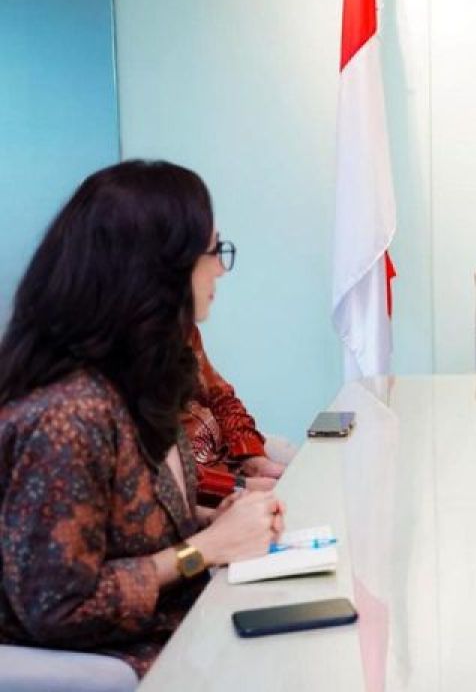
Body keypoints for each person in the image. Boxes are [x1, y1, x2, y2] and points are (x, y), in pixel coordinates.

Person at [0, 160, 285, 676]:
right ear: (158, 269)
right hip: (127, 667)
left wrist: (217, 520)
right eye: (212, 251)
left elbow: (124, 528)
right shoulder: (67, 416)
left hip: (183, 635)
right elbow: (58, 607)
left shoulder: (138, 380)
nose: (220, 270)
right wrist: (202, 549)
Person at [185, 325, 287, 504]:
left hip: (227, 454)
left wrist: (252, 458)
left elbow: (221, 398)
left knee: (303, 466)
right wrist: (240, 486)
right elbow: (170, 475)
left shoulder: (185, 331)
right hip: (201, 489)